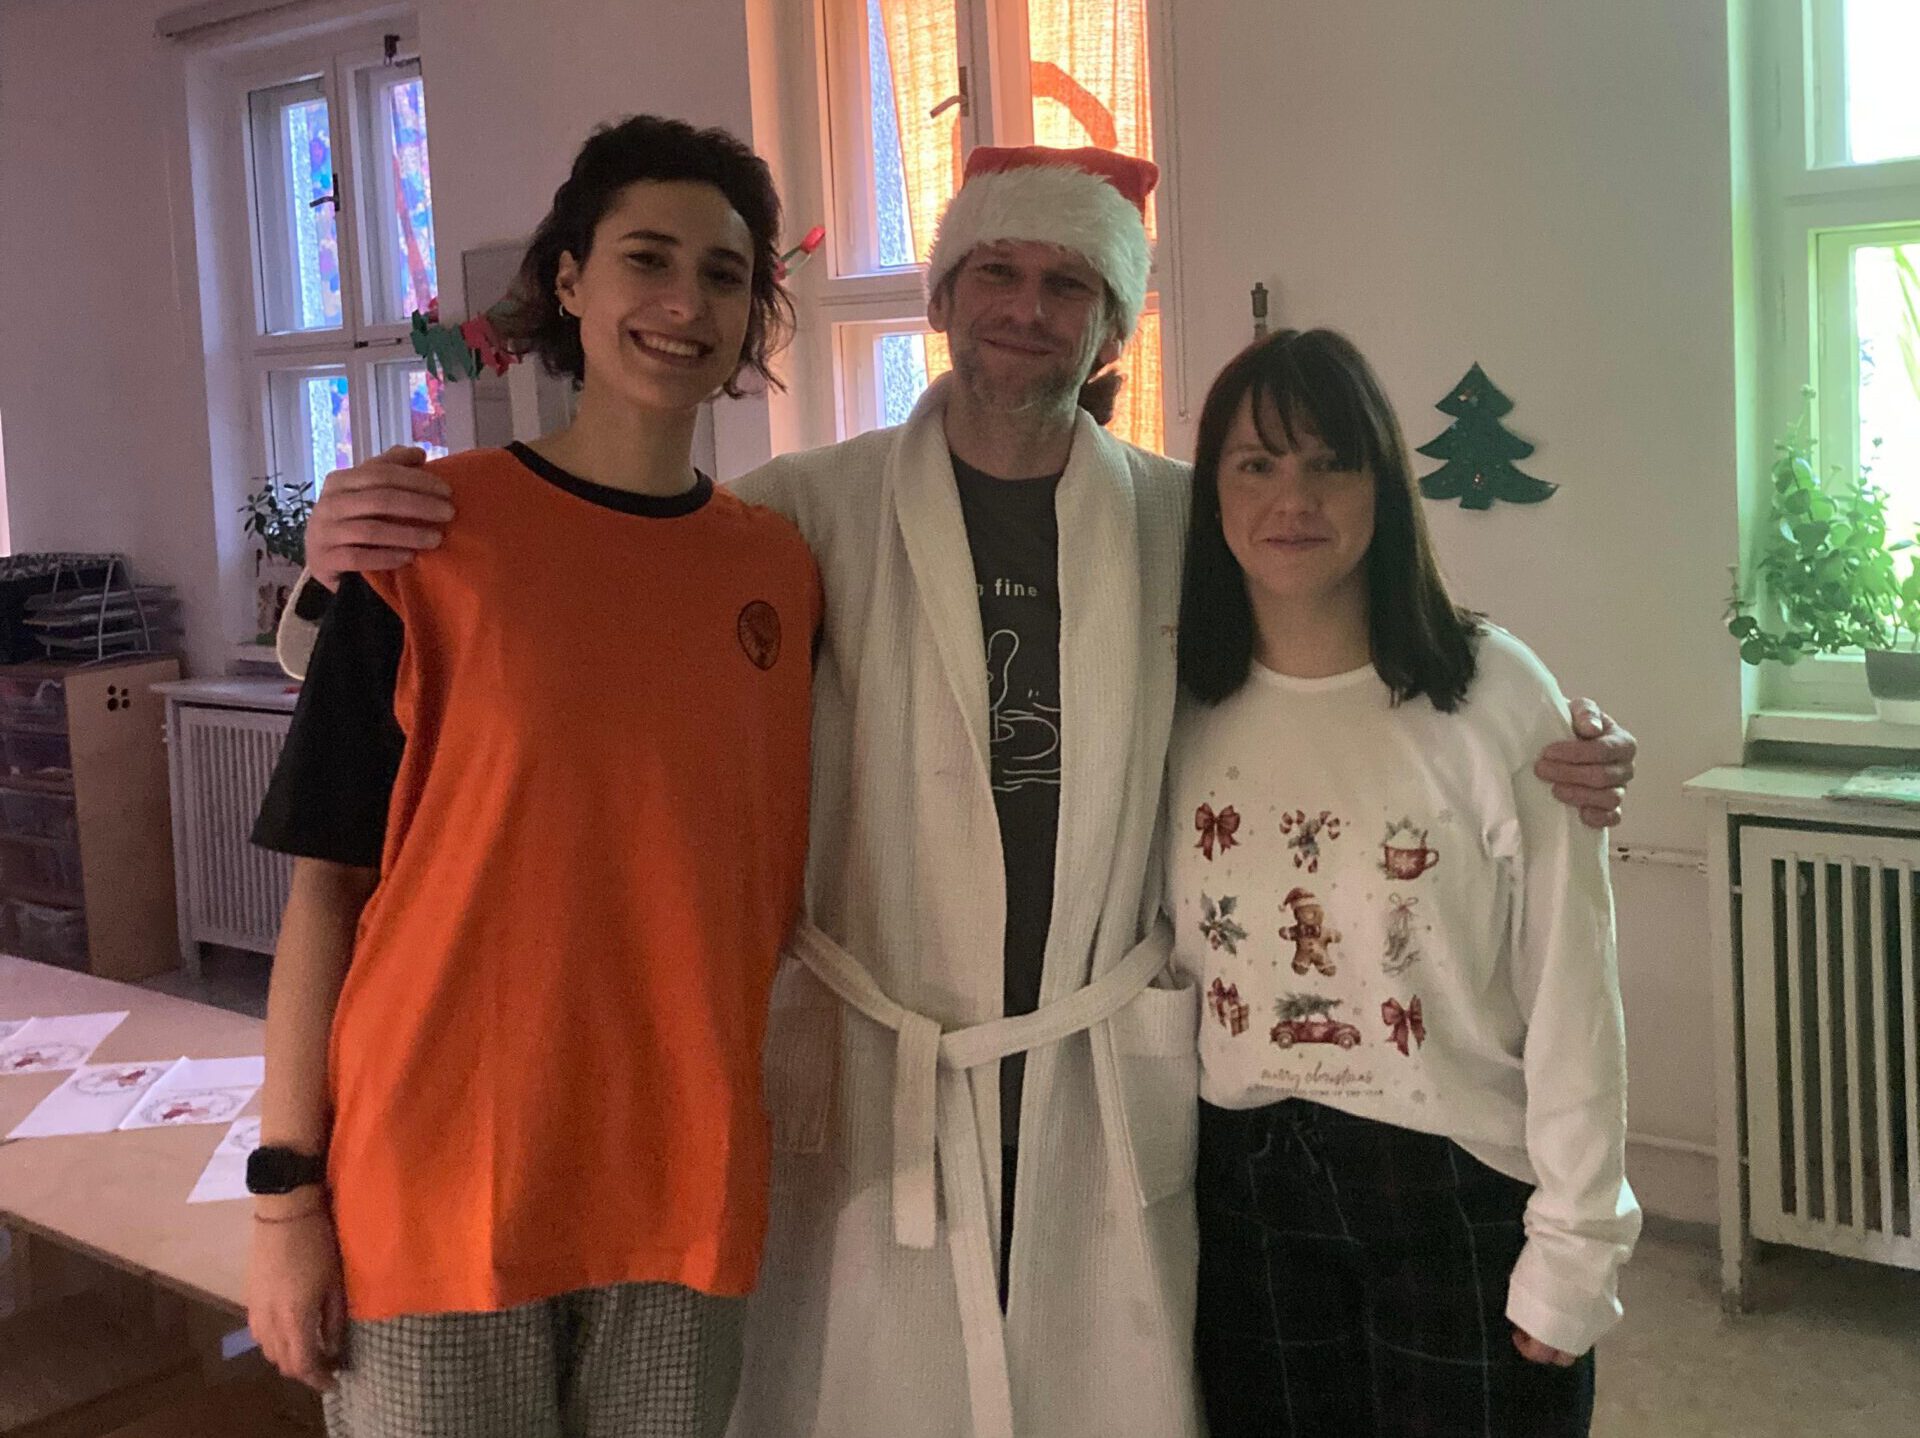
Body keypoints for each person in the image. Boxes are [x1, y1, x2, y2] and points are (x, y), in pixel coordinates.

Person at [279, 144, 1638, 1438]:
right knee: (874, 1384)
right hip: (881, 1046)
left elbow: (1347, 619)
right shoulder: (802, 508)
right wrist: (333, 568)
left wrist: (1541, 728)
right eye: (997, 273)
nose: (1027, 310)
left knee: (1100, 1376)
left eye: (1069, 285)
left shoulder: (1182, 515)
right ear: (940, 299)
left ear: (1112, 328)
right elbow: (589, 610)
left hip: (1097, 1044)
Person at [245, 114, 819, 1438]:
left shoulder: (780, 573)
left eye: (724, 275)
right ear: (569, 280)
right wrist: (284, 1202)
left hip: (680, 1186)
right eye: (647, 259)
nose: (685, 304)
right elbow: (327, 893)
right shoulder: (424, 536)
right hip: (439, 1182)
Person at [1170, 328, 1637, 1437]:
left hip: (1455, 1185)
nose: (1294, 498)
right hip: (1244, 1189)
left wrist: (1577, 1248)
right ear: (1212, 491)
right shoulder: (1176, 696)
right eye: (1256, 463)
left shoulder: (1493, 695)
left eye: (1331, 462)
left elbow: (1574, 987)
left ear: (1383, 481)